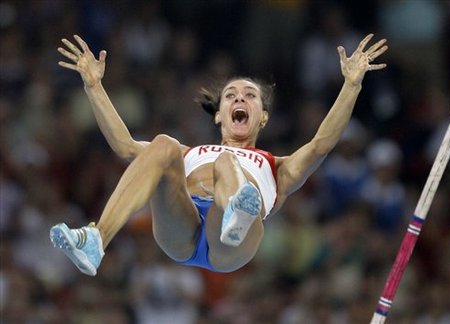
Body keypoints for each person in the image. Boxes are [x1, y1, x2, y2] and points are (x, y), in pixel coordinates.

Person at [50, 34, 387, 275]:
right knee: (163, 144)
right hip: (183, 222)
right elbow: (125, 146)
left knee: (228, 161)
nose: (240, 99)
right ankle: (96, 239)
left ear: (263, 116)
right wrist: (93, 86)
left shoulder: (277, 167)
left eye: (250, 95)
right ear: (218, 114)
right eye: (231, 96)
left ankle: (236, 216)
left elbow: (321, 145)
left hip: (233, 245)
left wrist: (352, 85)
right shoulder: (189, 152)